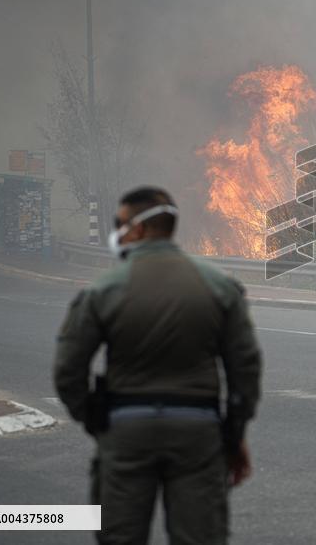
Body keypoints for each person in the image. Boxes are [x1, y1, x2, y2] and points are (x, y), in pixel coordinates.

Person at [53, 186, 262, 545]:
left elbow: (68, 369)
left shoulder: (103, 290)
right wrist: (234, 433)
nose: (116, 232)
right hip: (198, 433)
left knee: (119, 536)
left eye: (119, 224)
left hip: (126, 431)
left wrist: (95, 420)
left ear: (139, 228)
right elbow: (245, 369)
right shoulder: (219, 287)